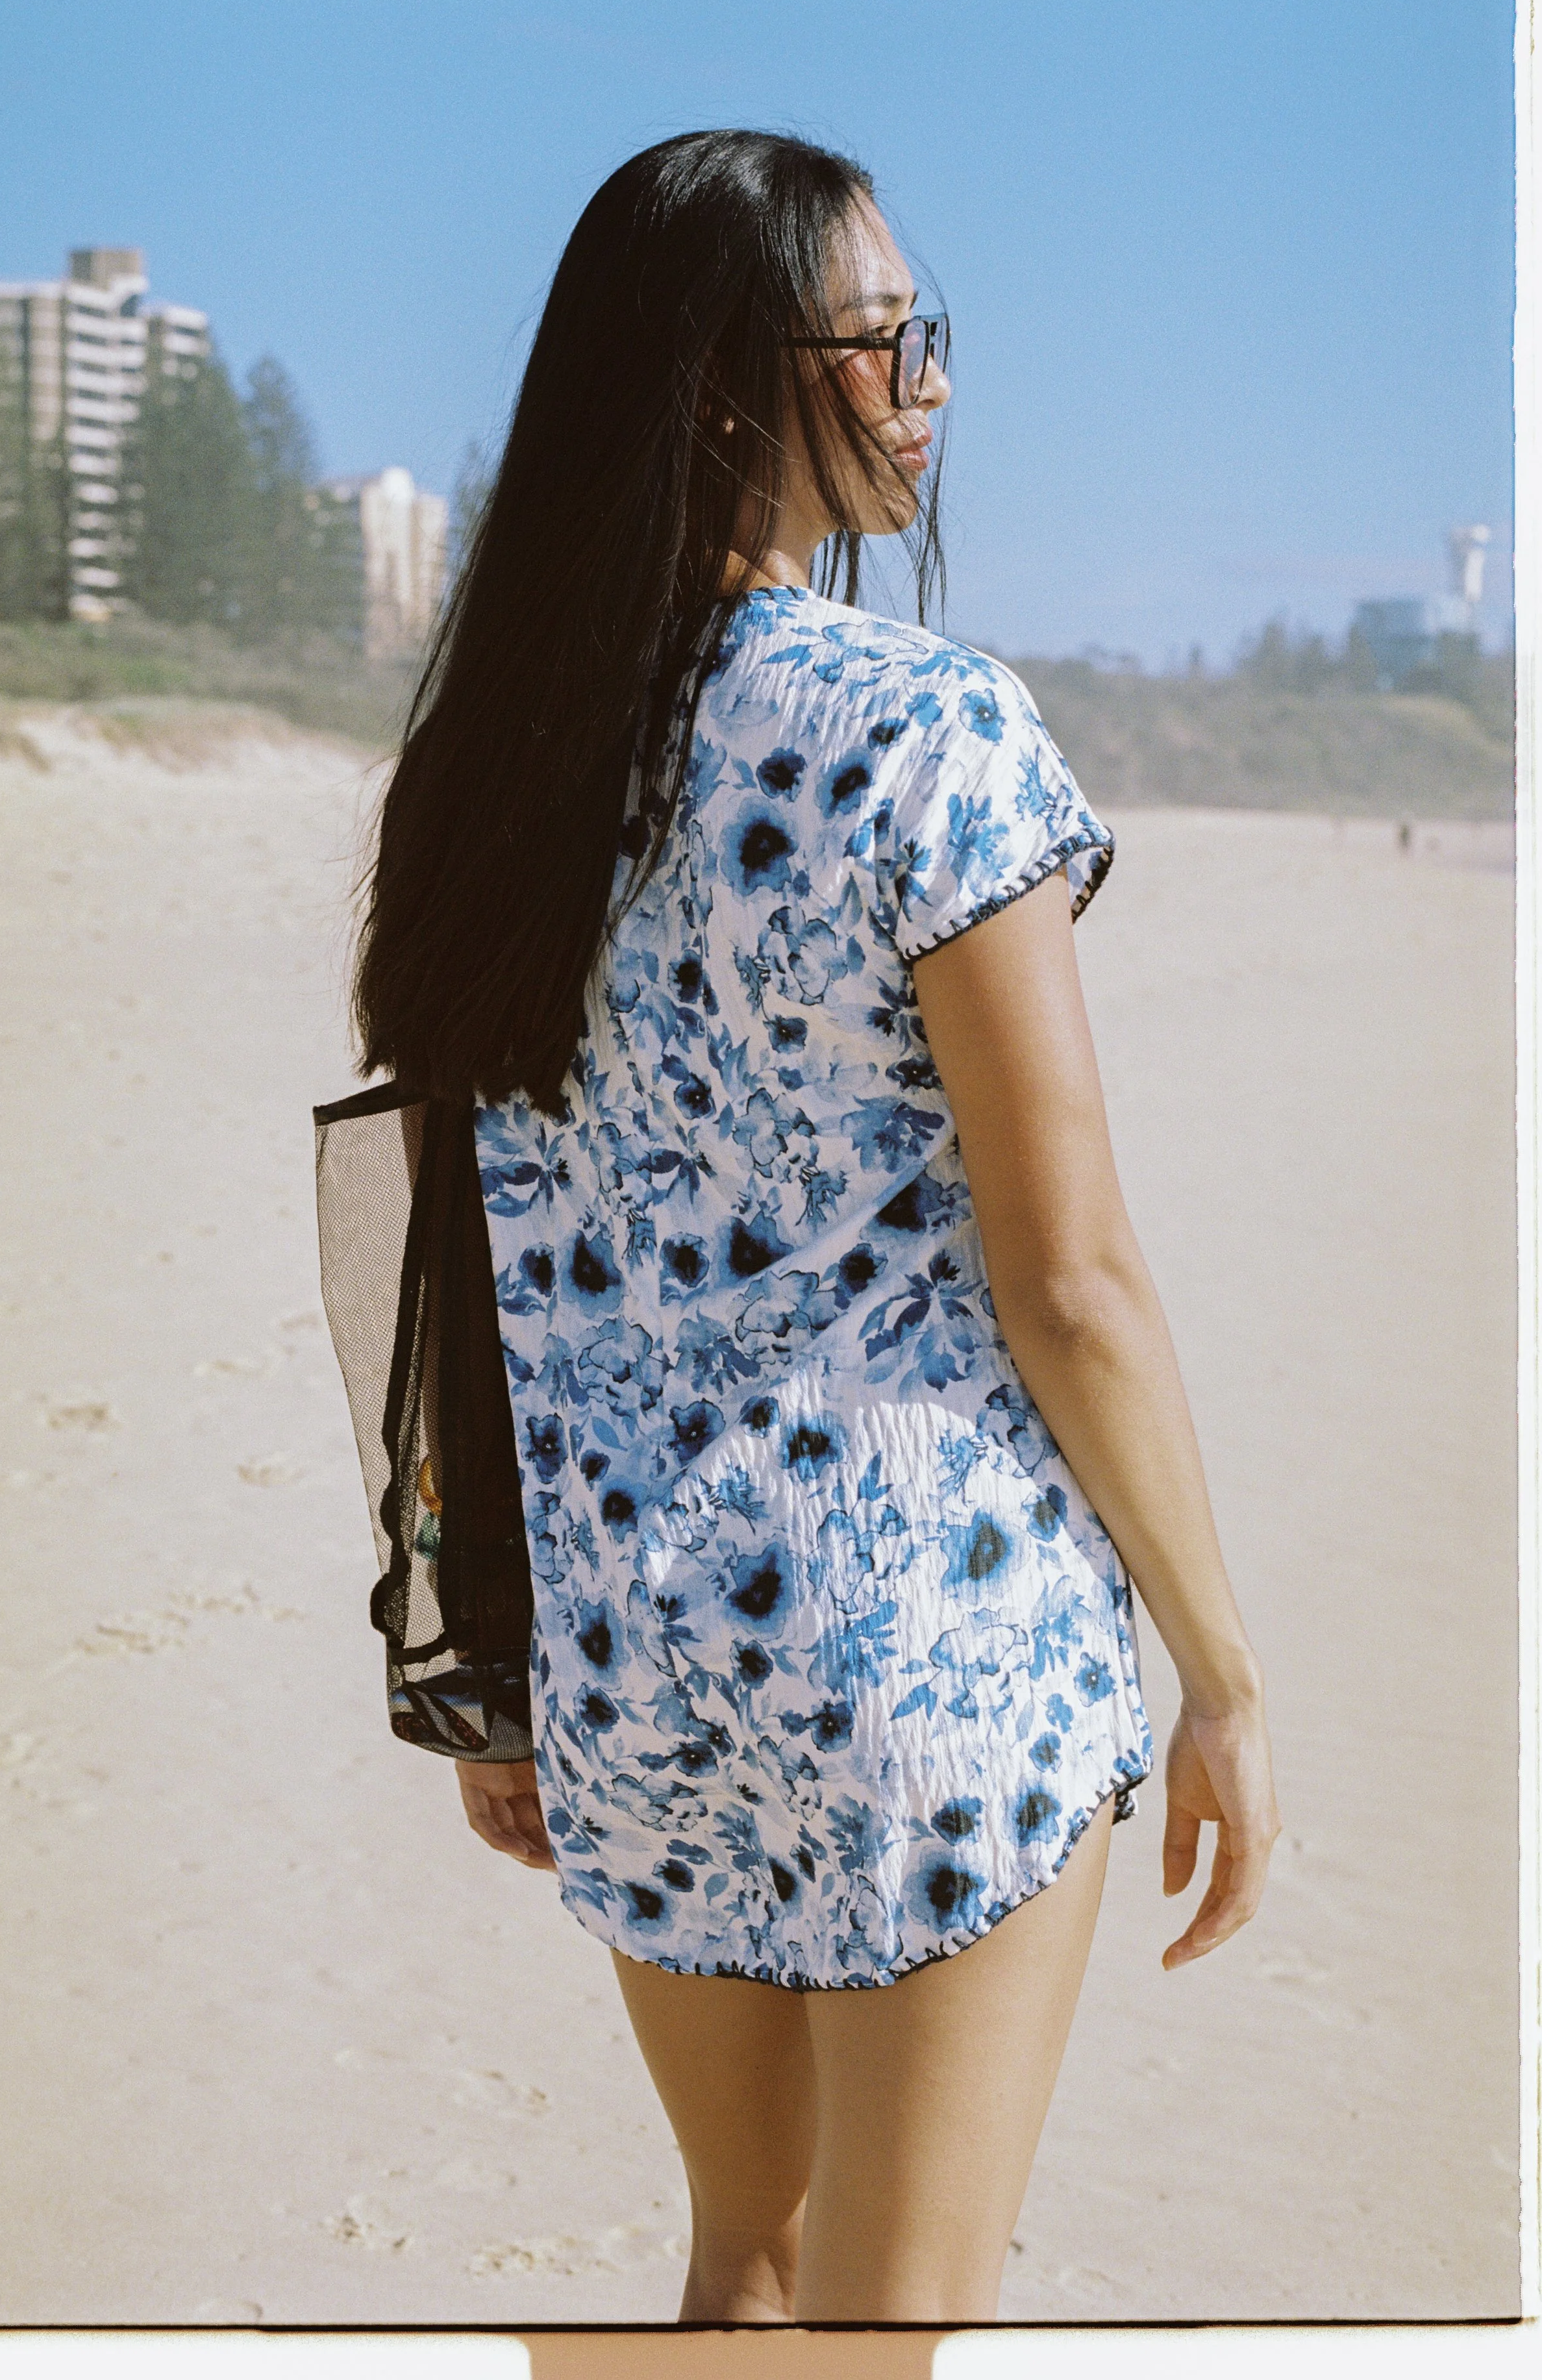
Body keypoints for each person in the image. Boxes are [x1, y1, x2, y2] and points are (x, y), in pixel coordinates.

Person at [350, 127, 1280, 2325]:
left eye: (921, 335)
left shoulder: (497, 770)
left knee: (744, 2283)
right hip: (923, 1640)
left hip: (635, 1646)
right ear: (711, 386)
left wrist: (491, 1667)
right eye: (875, 339)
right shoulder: (925, 730)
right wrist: (1222, 1674)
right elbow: (1068, 1279)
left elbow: (457, 1267)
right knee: (881, 2327)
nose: (924, 382)